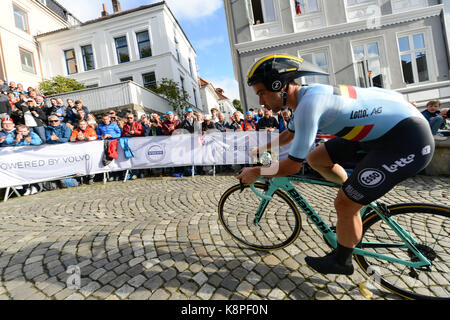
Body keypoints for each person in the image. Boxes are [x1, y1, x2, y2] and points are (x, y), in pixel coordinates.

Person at [239, 54, 434, 275]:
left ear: (279, 85)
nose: (261, 102)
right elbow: (289, 135)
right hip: (381, 133)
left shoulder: (308, 105)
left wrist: (255, 170)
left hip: (407, 140)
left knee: (344, 203)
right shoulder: (306, 97)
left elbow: (292, 167)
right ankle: (354, 197)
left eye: (262, 93)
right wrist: (263, 149)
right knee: (316, 158)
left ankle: (342, 261)